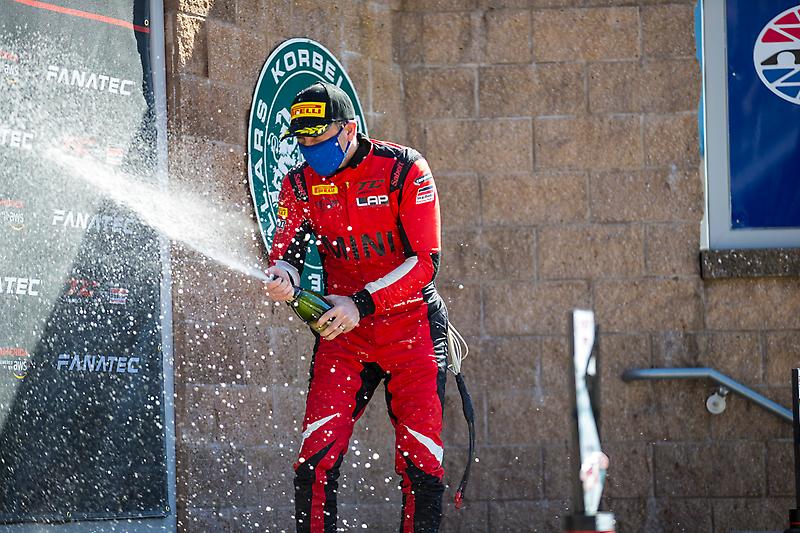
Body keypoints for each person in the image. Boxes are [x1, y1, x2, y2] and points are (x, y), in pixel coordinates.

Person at [263, 81, 448, 533]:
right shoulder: (299, 184)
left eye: (319, 137)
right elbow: (286, 252)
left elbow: (427, 263)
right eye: (302, 139)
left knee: (421, 464)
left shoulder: (404, 168)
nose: (310, 148)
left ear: (348, 129)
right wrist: (282, 276)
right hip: (344, 338)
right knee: (314, 459)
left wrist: (362, 303)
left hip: (413, 331)